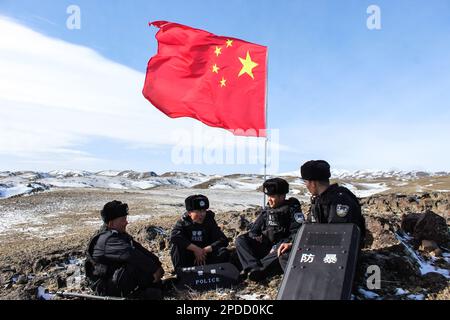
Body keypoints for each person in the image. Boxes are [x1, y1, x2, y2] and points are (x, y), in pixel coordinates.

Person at [278, 160, 366, 270]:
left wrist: (308, 243)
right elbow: (308, 227)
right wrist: (294, 243)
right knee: (285, 255)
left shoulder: (340, 200)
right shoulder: (319, 200)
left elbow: (338, 236)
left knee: (294, 259)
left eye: (306, 182)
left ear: (313, 183)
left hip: (341, 252)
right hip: (323, 248)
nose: (306, 186)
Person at [85, 200, 165, 299]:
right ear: (111, 224)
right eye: (123, 219)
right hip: (105, 287)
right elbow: (130, 253)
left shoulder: (120, 235)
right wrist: (154, 269)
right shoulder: (107, 239)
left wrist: (158, 265)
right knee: (135, 264)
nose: (126, 222)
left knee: (143, 263)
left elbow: (139, 249)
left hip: (114, 281)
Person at [235, 178, 304, 282]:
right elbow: (254, 230)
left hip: (280, 249)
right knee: (241, 240)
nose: (269, 199)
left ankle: (257, 270)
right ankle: (253, 267)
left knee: (282, 251)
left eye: (272, 196)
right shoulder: (268, 210)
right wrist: (256, 236)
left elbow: (297, 233)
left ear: (282, 196)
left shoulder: (292, 210)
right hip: (266, 246)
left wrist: (279, 245)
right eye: (268, 196)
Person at [170, 195, 230, 271]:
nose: (202, 214)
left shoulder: (209, 220)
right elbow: (175, 237)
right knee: (177, 247)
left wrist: (205, 250)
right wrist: (196, 249)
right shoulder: (183, 222)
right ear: (189, 212)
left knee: (223, 251)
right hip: (189, 259)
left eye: (203, 211)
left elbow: (223, 240)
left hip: (206, 257)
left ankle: (216, 273)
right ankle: (182, 275)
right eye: (198, 211)